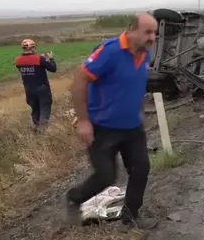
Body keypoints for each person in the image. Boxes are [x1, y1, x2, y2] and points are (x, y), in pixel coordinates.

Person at [66, 14, 158, 230]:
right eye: (147, 32)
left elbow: (135, 86)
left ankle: (130, 217)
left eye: (155, 32)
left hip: (132, 127)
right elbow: (80, 80)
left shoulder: (144, 53)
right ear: (131, 29)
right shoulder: (109, 51)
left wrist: (139, 112)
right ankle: (74, 197)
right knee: (106, 176)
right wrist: (83, 121)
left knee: (141, 168)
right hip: (102, 128)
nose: (152, 37)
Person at [15, 39, 57, 130]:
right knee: (44, 109)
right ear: (33, 47)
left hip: (29, 90)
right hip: (42, 89)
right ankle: (42, 131)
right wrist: (50, 58)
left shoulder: (18, 60)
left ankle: (35, 128)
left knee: (35, 110)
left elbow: (27, 65)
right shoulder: (39, 59)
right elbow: (53, 69)